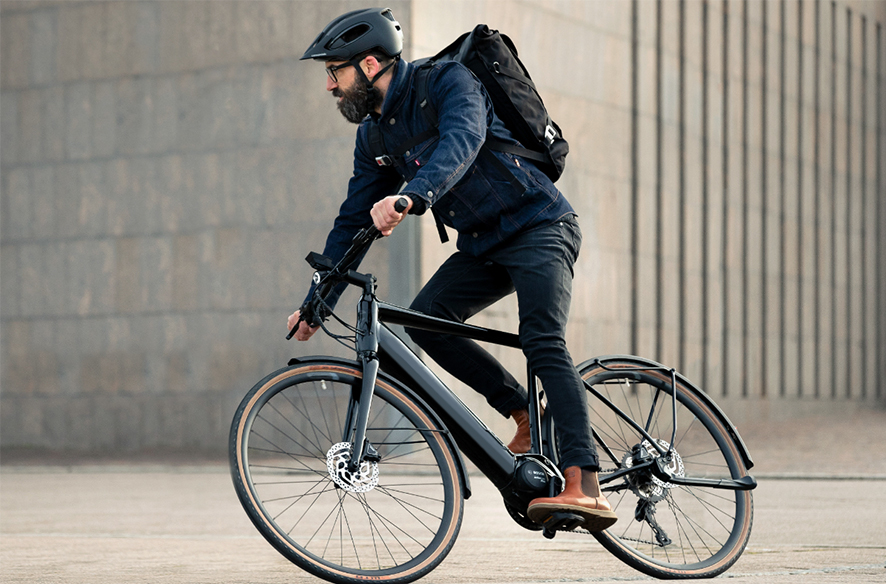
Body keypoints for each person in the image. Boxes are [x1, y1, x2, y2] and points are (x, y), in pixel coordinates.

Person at [289, 7, 616, 531]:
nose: (330, 86)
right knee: (425, 319)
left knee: (542, 339)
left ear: (370, 63)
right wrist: (317, 301)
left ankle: (586, 482)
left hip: (540, 226)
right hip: (485, 244)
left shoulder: (447, 80)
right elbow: (352, 220)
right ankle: (525, 415)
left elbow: (462, 141)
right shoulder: (374, 139)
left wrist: (411, 197)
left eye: (335, 72)